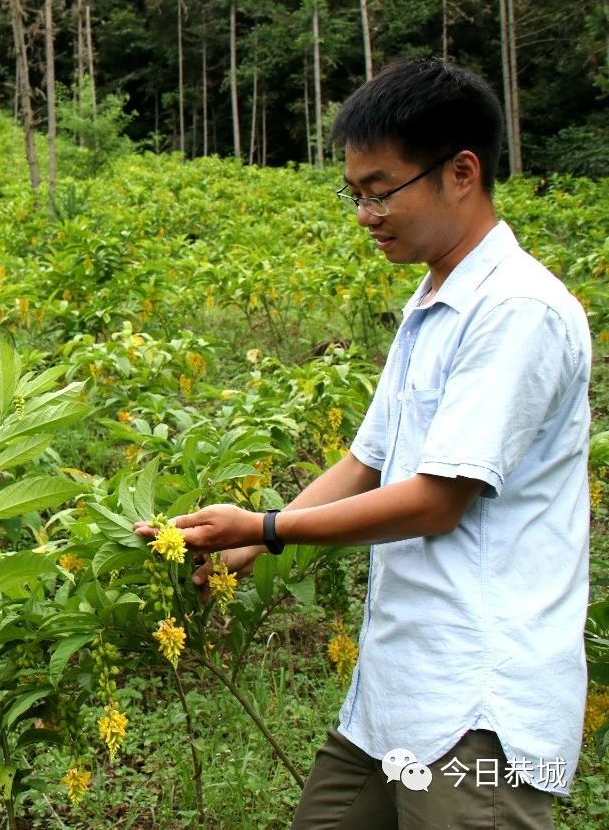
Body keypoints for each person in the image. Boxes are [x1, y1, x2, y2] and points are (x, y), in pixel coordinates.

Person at [135, 58, 590, 828]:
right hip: (394, 693)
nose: (365, 214)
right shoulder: (434, 298)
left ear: (462, 172)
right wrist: (240, 546)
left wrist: (268, 528)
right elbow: (367, 461)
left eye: (381, 191)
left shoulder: (519, 309)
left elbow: (438, 500)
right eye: (355, 195)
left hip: (480, 710)